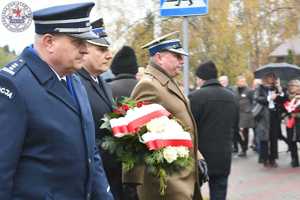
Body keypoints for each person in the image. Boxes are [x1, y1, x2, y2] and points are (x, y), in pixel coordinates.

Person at [0, 3, 113, 199]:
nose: (86, 50)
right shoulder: (14, 84)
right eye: (78, 42)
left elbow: (90, 153)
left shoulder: (75, 82)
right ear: (49, 42)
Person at [123, 32, 207, 200]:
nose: (182, 61)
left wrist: (198, 156)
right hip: (167, 184)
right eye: (177, 56)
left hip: (182, 177)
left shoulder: (167, 81)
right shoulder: (149, 85)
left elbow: (182, 127)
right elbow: (135, 137)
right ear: (159, 57)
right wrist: (132, 183)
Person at [78, 19, 122, 199]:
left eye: (108, 49)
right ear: (84, 50)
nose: (109, 55)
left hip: (111, 176)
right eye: (102, 50)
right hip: (92, 180)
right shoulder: (75, 83)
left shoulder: (102, 81)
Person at [189, 61, 239, 200]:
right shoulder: (232, 98)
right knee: (219, 192)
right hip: (223, 155)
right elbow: (235, 126)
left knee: (193, 192)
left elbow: (189, 127)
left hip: (200, 157)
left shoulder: (195, 98)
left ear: (201, 78)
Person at [254, 73, 283, 167]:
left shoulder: (276, 87)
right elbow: (257, 98)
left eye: (273, 77)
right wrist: (269, 98)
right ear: (265, 78)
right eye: (269, 77)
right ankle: (264, 158)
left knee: (274, 138)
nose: (271, 79)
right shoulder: (260, 87)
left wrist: (279, 90)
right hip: (264, 116)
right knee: (264, 138)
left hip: (274, 115)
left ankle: (273, 159)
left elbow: (282, 99)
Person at [233, 75, 255, 157]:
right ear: (237, 82)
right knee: (236, 131)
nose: (242, 82)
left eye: (243, 81)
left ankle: (244, 149)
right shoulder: (234, 90)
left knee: (244, 132)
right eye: (240, 81)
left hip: (246, 114)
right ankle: (242, 146)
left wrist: (250, 110)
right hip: (237, 113)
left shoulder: (249, 91)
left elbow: (253, 101)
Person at [282, 80, 300, 167]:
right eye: (290, 85)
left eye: (294, 85)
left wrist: (296, 114)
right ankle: (294, 160)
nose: (292, 87)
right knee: (291, 141)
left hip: (298, 123)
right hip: (290, 122)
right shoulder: (286, 97)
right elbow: (282, 109)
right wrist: (285, 115)